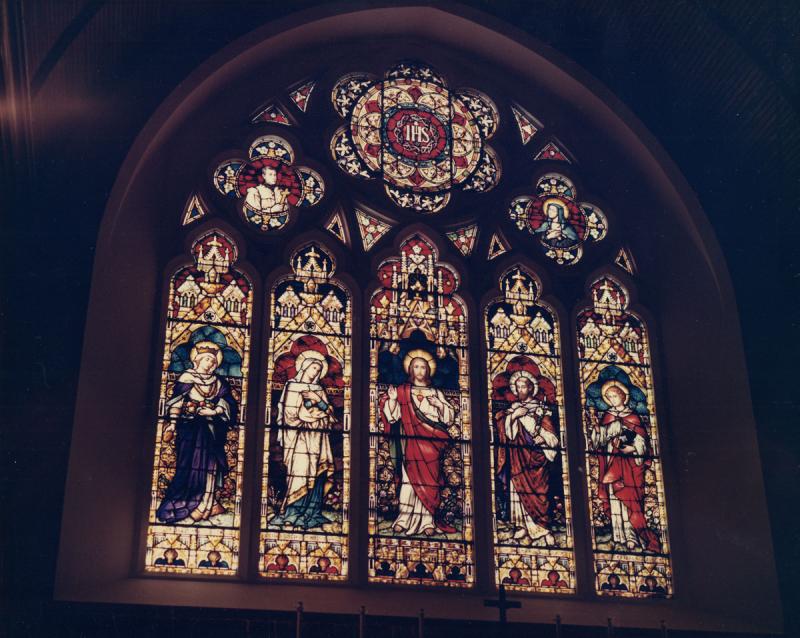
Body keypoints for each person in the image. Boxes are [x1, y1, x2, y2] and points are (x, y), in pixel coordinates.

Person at [379, 349, 457, 536]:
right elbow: (392, 417)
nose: (420, 370)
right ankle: (404, 518)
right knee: (408, 481)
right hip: (410, 442)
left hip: (432, 443)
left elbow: (448, 418)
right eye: (416, 366)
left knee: (431, 482)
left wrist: (439, 405)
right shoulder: (403, 391)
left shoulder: (435, 392)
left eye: (423, 367)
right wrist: (391, 400)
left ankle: (428, 522)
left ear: (429, 370)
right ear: (410, 370)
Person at [156, 341, 236, 523]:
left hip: (213, 430)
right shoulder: (187, 379)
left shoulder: (219, 382)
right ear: (197, 360)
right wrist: (173, 424)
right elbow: (177, 402)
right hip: (190, 431)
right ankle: (191, 502)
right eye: (207, 360)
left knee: (211, 466)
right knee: (189, 465)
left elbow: (228, 404)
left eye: (213, 361)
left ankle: (208, 504)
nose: (210, 364)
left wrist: (214, 411)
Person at [588, 379, 661, 552]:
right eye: (609, 397)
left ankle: (633, 536)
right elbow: (599, 442)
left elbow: (643, 441)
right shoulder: (608, 416)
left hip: (631, 466)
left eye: (615, 395)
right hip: (613, 464)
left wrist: (633, 448)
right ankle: (619, 535)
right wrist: (598, 431)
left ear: (623, 396)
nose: (613, 399)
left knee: (631, 499)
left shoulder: (633, 416)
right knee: (615, 498)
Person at [271, 349, 336, 530]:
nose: (315, 372)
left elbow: (330, 414)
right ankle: (292, 512)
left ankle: (312, 512)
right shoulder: (291, 386)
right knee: (299, 472)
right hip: (298, 437)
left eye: (318, 369)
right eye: (313, 368)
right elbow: (289, 413)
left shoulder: (318, 389)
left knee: (318, 472)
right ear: (304, 368)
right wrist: (313, 414)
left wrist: (318, 402)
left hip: (318, 437)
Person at [495, 371, 559, 545]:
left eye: (524, 386)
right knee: (517, 489)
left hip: (537, 460)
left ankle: (543, 528)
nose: (520, 389)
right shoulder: (513, 410)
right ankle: (521, 525)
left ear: (531, 388)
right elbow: (507, 434)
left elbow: (553, 439)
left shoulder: (541, 410)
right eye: (518, 387)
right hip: (517, 458)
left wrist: (543, 437)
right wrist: (514, 416)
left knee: (540, 493)